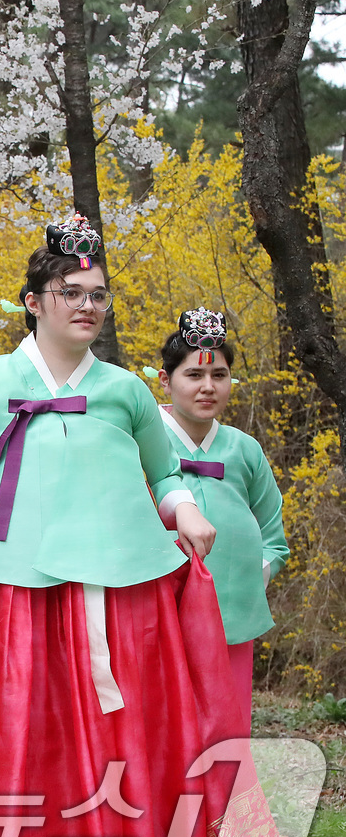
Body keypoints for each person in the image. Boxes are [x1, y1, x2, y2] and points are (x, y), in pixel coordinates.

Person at [0, 216, 284, 837]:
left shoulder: (124, 390)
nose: (88, 305)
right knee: (22, 741)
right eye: (71, 291)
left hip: (125, 599)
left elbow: (165, 474)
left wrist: (186, 509)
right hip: (17, 596)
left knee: (135, 744)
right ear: (33, 301)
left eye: (98, 294)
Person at [151, 308, 288, 734]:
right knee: (163, 729)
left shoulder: (244, 449)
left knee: (226, 732)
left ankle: (227, 803)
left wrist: (253, 577)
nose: (208, 387)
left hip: (231, 615)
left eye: (220, 375)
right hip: (155, 617)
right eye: (193, 375)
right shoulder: (142, 441)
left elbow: (274, 536)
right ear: (165, 379)